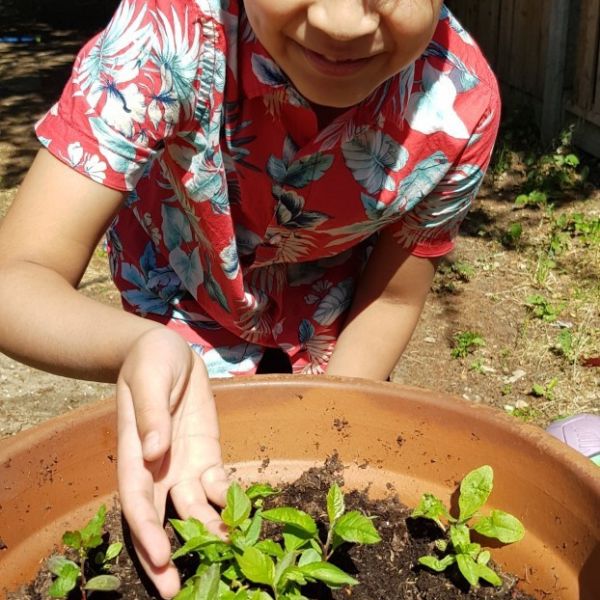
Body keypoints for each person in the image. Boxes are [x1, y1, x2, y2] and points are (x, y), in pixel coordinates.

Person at [0, 0, 500, 596]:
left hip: (326, 314)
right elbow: (18, 272)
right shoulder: (166, 33)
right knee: (186, 487)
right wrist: (141, 345)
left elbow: (390, 300)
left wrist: (325, 442)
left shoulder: (460, 104)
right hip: (184, 296)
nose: (342, 24)